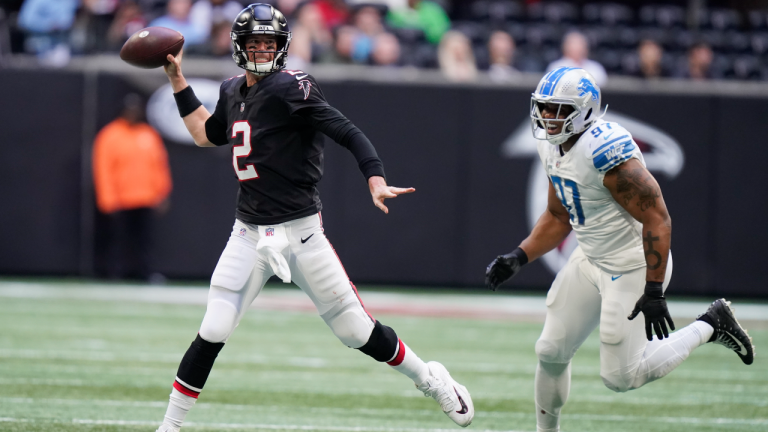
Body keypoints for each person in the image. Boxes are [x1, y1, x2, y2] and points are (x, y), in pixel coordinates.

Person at [154, 4, 474, 432]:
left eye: (270, 44)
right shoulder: (232, 91)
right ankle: (169, 428)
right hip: (248, 233)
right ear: (239, 48)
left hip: (301, 233)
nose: (263, 51)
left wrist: (375, 178)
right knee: (212, 329)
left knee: (356, 332)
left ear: (282, 47)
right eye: (255, 44)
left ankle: (430, 378)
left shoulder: (293, 89)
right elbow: (202, 133)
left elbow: (348, 131)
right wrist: (178, 80)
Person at [485, 66, 755, 432]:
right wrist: (520, 256)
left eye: (558, 109)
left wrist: (654, 288)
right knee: (549, 351)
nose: (547, 116)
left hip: (632, 265)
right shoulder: (552, 144)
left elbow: (658, 219)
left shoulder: (605, 152)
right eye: (544, 107)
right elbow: (557, 215)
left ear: (584, 111)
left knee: (621, 377)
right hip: (590, 256)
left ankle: (711, 324)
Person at [92, 93, 172, 281]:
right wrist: (107, 198)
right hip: (121, 198)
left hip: (145, 198)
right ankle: (115, 273)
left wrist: (162, 193)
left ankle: (145, 273)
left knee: (144, 240)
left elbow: (160, 166)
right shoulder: (110, 134)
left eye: (136, 109)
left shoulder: (149, 134)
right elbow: (103, 168)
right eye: (130, 109)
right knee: (118, 239)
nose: (133, 113)